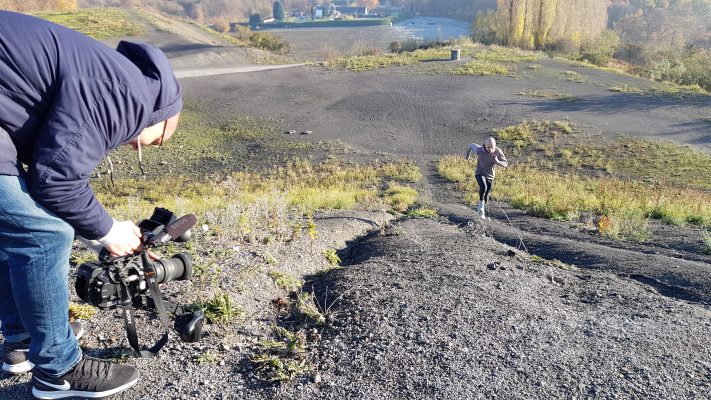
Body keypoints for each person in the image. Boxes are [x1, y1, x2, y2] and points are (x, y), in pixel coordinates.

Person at [0, 10, 182, 399]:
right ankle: (58, 371)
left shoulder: (113, 74)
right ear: (166, 117)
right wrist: (107, 230)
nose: (139, 145)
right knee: (42, 233)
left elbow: (46, 171)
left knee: (17, 224)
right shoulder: (129, 97)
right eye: (158, 142)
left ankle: (23, 338)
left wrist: (98, 232)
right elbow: (57, 180)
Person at [465, 137, 508, 219]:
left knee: (487, 194)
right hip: (479, 173)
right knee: (483, 187)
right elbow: (471, 145)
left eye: (492, 147)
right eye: (488, 147)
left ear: (495, 146)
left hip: (490, 176)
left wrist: (497, 162)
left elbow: (505, 164)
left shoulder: (498, 151)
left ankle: (482, 209)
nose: (490, 149)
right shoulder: (479, 150)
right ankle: (480, 206)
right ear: (485, 145)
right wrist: (468, 155)